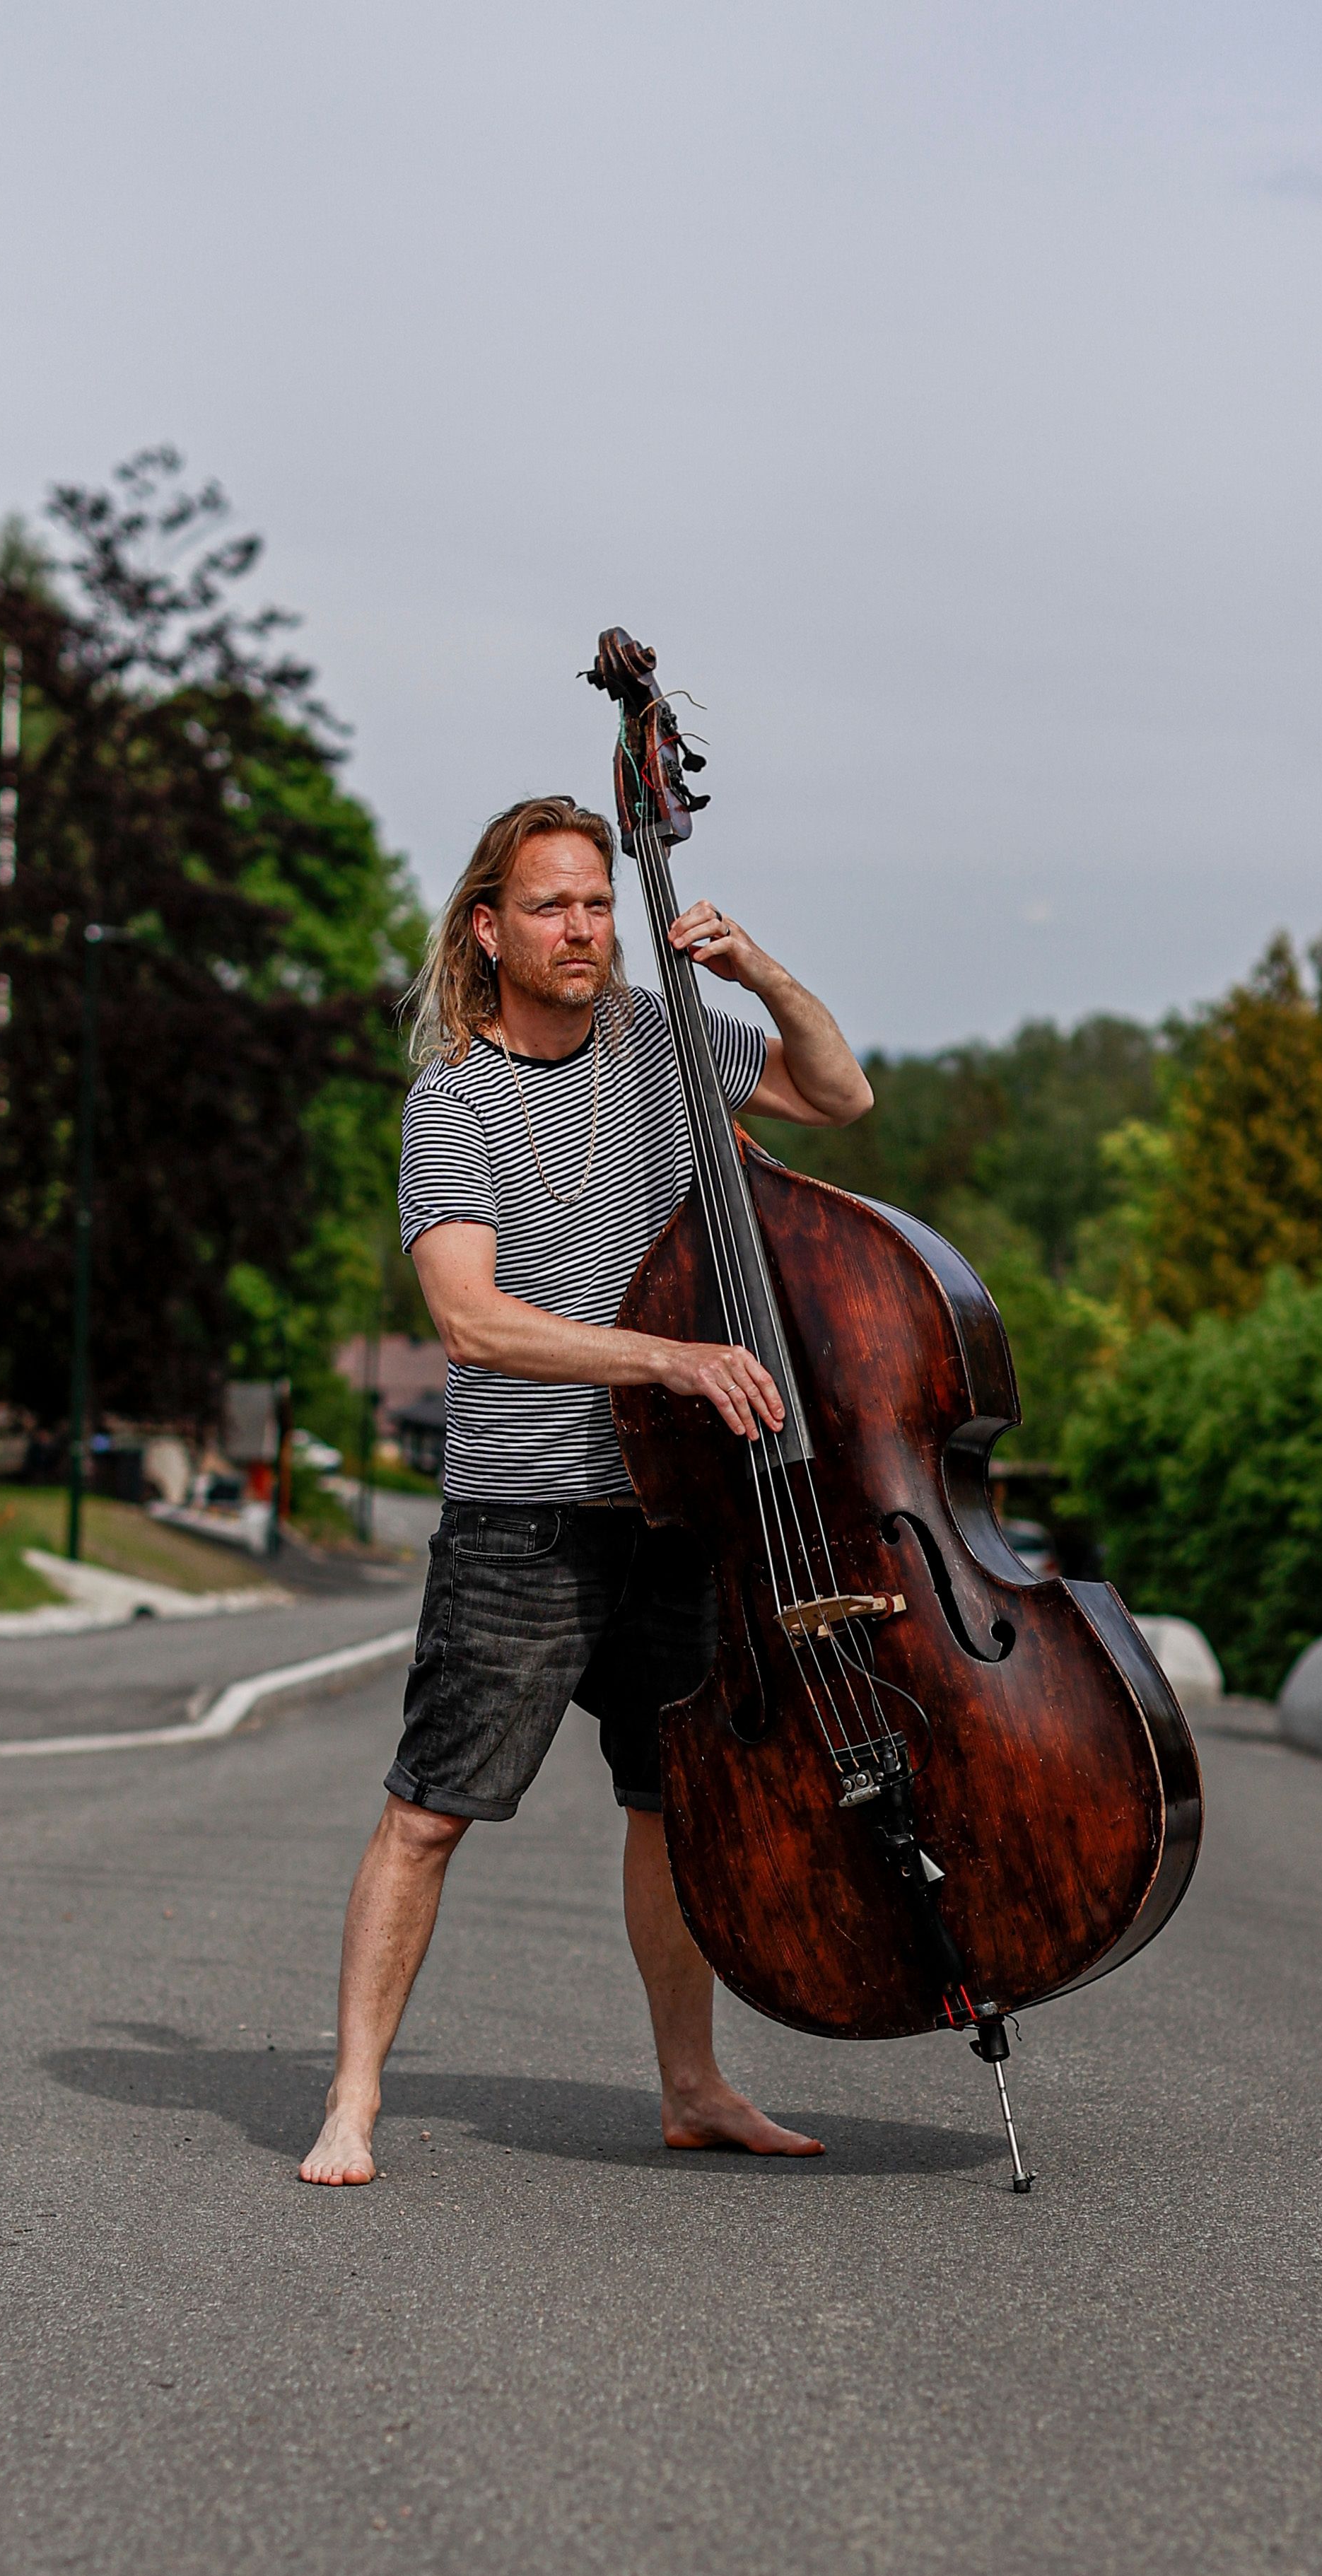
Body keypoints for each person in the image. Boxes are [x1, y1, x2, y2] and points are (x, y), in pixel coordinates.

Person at [300, 795, 874, 2185]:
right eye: (551, 905)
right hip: (526, 1513)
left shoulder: (663, 1037)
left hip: (677, 1507)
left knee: (672, 1809)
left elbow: (838, 1095)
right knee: (431, 1808)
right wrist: (669, 1357)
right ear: (488, 929)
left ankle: (694, 2088)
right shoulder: (453, 1101)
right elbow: (472, 1323)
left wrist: (759, 972)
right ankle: (352, 2101)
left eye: (599, 904)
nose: (583, 929)